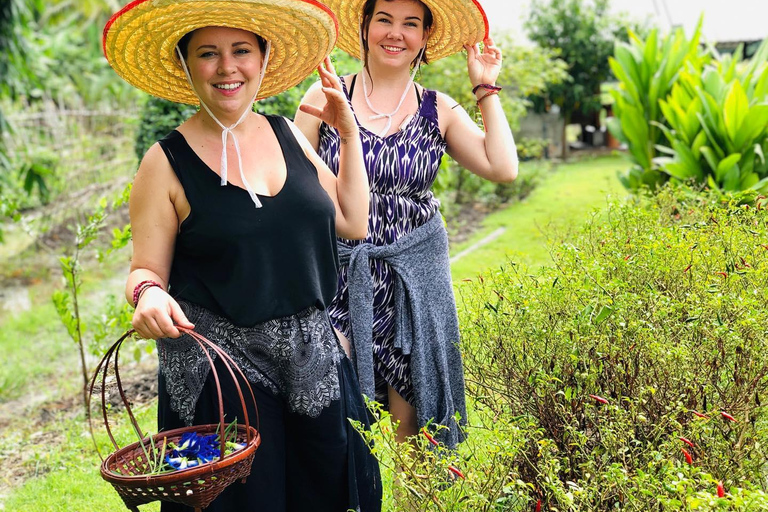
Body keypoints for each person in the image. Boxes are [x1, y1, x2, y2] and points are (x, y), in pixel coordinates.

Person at [103, 0, 381, 510]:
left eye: (241, 50)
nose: (227, 67)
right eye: (208, 53)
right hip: (221, 380)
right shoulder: (165, 163)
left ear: (263, 58)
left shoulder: (287, 133)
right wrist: (146, 295)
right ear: (187, 65)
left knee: (327, 492)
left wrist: (348, 133)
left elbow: (352, 221)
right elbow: (145, 270)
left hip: (312, 362)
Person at [295, 0, 518, 450]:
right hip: (339, 277)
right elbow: (295, 188)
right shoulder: (325, 96)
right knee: (335, 426)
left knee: (414, 436)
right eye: (384, 20)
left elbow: (503, 167)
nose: (395, 33)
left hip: (411, 288)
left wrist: (486, 89)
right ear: (365, 25)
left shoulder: (438, 109)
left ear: (425, 37)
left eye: (410, 24)